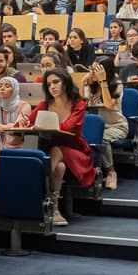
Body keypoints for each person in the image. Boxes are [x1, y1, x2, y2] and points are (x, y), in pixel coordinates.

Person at [32, 68, 96, 225]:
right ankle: (54, 209)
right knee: (59, 166)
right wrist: (25, 121)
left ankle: (38, 184)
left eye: (56, 82)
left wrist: (45, 124)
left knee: (57, 150)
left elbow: (69, 127)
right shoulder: (44, 105)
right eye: (48, 84)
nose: (52, 87)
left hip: (76, 152)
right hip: (54, 153)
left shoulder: (78, 104)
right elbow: (28, 122)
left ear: (65, 82)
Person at [84, 58, 126, 191]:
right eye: (92, 70)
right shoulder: (92, 85)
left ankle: (111, 172)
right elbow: (82, 104)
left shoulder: (117, 85)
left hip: (115, 126)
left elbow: (108, 104)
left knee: (102, 138)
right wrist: (83, 82)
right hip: (95, 127)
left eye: (96, 70)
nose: (93, 73)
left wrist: (102, 82)